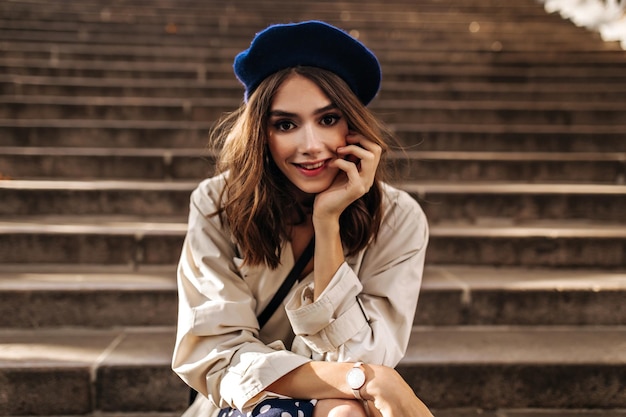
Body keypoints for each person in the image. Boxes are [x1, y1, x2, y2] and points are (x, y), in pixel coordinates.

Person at [172, 20, 432, 417]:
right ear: (261, 132)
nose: (311, 147)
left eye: (328, 120)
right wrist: (362, 380)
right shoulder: (217, 204)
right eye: (286, 124)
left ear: (353, 125)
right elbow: (217, 354)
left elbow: (362, 353)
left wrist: (327, 225)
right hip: (242, 404)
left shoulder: (398, 219)